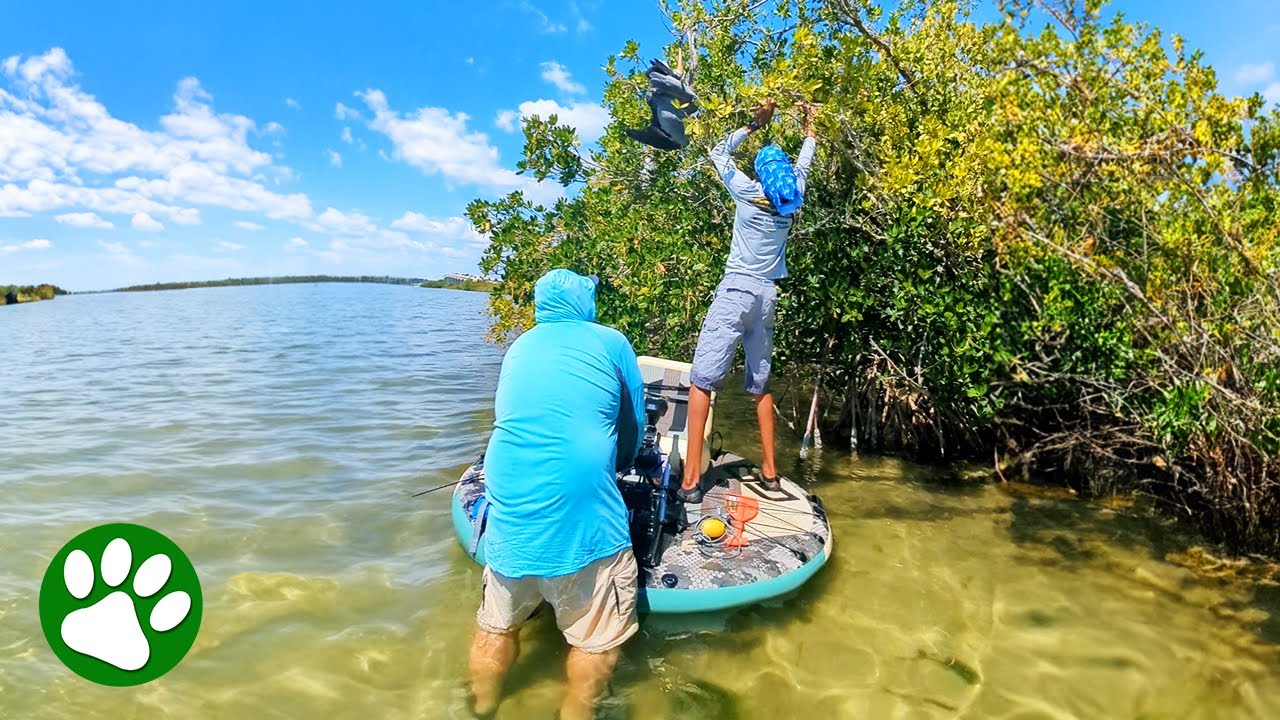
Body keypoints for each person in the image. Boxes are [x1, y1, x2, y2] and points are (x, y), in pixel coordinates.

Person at [468, 268, 646, 720]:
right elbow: (635, 424)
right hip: (585, 524)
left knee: (496, 626)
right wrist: (622, 462)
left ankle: (480, 706)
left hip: (508, 508)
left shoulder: (520, 345)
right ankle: (573, 713)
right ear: (585, 303)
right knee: (595, 640)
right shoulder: (611, 341)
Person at [679, 99, 818, 502]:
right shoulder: (793, 197)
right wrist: (810, 129)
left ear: (760, 172)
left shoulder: (747, 191)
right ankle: (771, 473)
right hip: (767, 296)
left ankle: (690, 483)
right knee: (760, 384)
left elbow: (718, 152)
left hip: (737, 289)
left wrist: (755, 125)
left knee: (702, 381)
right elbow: (804, 165)